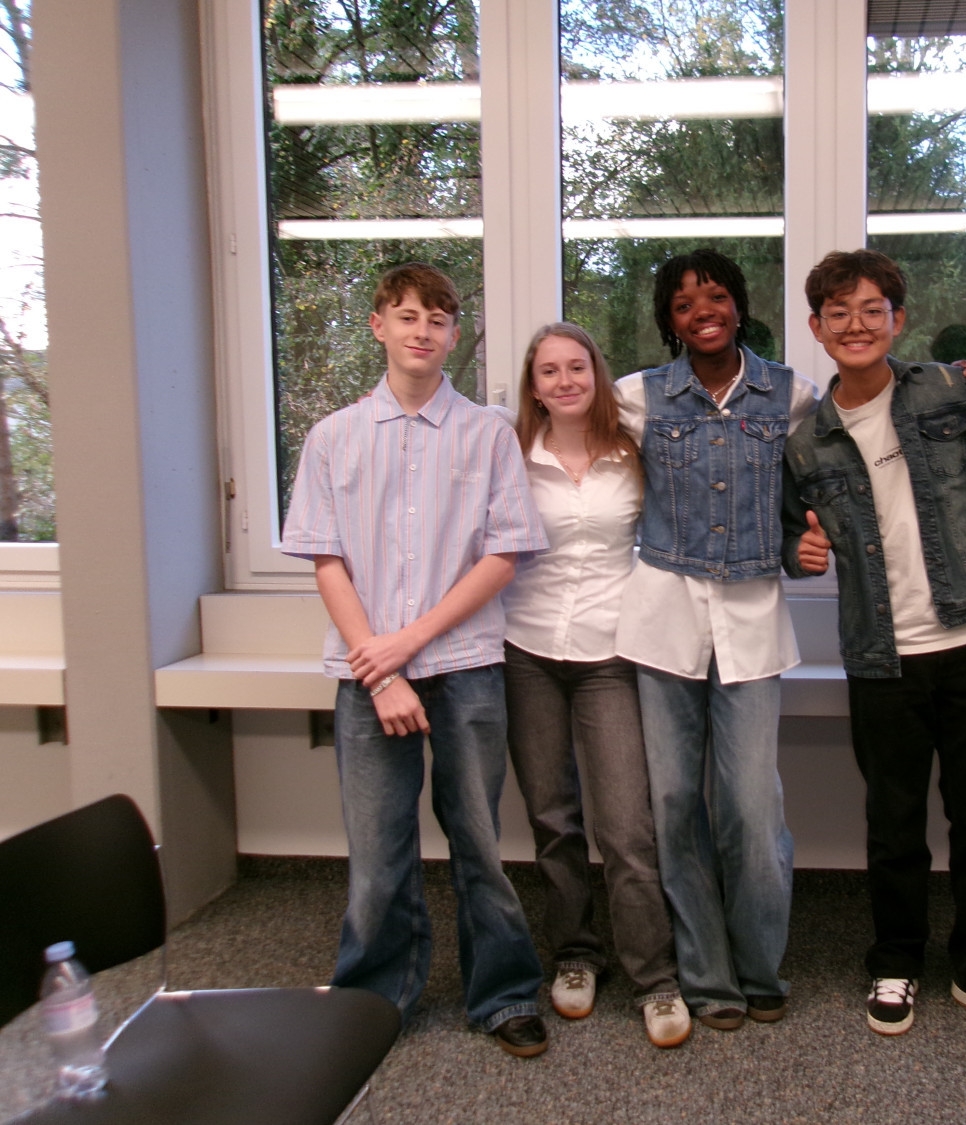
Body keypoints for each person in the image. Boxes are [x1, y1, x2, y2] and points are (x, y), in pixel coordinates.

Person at [281, 262, 552, 1058]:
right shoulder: (333, 437)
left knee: (478, 840)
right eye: (406, 316)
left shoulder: (488, 433)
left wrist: (407, 643)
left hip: (466, 668)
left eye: (437, 319)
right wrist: (386, 668)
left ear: (454, 333)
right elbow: (326, 559)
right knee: (377, 852)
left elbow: (503, 555)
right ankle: (374, 997)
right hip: (370, 680)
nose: (422, 331)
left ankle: (502, 993)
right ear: (378, 326)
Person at [781, 248, 966, 1044]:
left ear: (898, 318)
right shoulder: (807, 441)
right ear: (817, 327)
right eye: (839, 313)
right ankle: (895, 959)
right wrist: (799, 552)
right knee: (892, 823)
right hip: (880, 656)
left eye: (872, 309)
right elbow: (789, 535)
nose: (856, 325)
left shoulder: (955, 391)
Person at [611, 248, 819, 1029]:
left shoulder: (792, 394)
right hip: (662, 619)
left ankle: (759, 965)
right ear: (669, 319)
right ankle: (706, 975)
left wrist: (964, 382)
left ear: (739, 305)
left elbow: (828, 471)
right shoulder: (635, 396)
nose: (703, 310)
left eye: (717, 295)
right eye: (684, 301)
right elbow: (554, 420)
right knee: (674, 803)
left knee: (750, 806)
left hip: (753, 622)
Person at [501, 322, 691, 1049]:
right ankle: (576, 954)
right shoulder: (511, 453)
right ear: (534, 385)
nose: (565, 381)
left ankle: (655, 976)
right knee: (552, 815)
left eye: (576, 367)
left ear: (596, 373)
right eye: (549, 371)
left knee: (626, 825)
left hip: (611, 652)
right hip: (527, 649)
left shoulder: (632, 449)